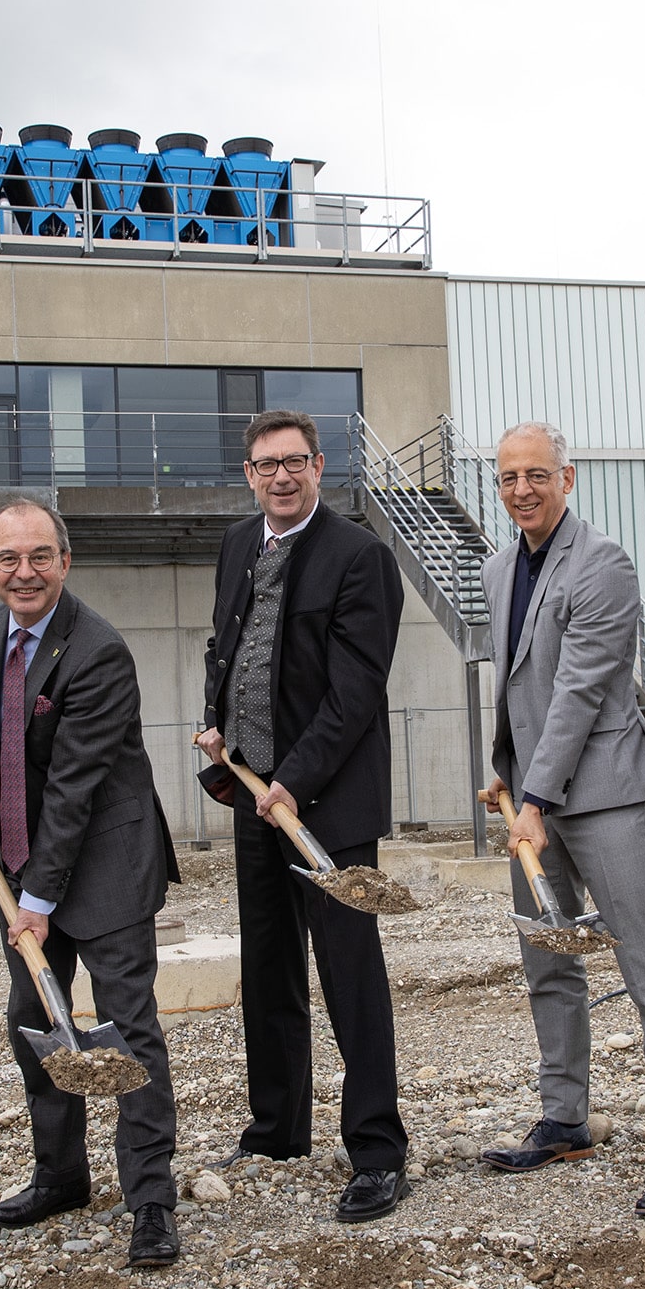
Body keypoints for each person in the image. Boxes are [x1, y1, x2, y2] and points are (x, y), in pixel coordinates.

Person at [475, 422, 645, 1216]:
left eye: (537, 475)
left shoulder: (604, 564)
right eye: (509, 476)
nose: (522, 490)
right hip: (533, 801)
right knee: (549, 963)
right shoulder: (500, 564)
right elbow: (517, 684)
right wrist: (507, 778)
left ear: (567, 479)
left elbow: (579, 691)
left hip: (602, 795)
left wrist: (534, 801)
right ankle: (564, 1117)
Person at [0, 496, 185, 1269]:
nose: (25, 572)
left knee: (127, 1030)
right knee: (35, 1022)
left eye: (40, 556)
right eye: (9, 558)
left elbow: (74, 787)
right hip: (23, 859)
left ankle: (150, 1200)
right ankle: (61, 1174)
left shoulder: (99, 651)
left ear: (66, 560)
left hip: (108, 864)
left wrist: (37, 903)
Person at [195, 409, 411, 1224]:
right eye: (263, 465)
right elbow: (231, 647)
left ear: (320, 466)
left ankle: (378, 1150)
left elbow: (356, 692)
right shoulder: (238, 544)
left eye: (294, 462)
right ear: (248, 474)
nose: (279, 477)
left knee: (350, 971)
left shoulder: (361, 557)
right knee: (270, 965)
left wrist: (296, 778)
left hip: (330, 807)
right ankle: (279, 1125)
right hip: (256, 796)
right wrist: (220, 727)